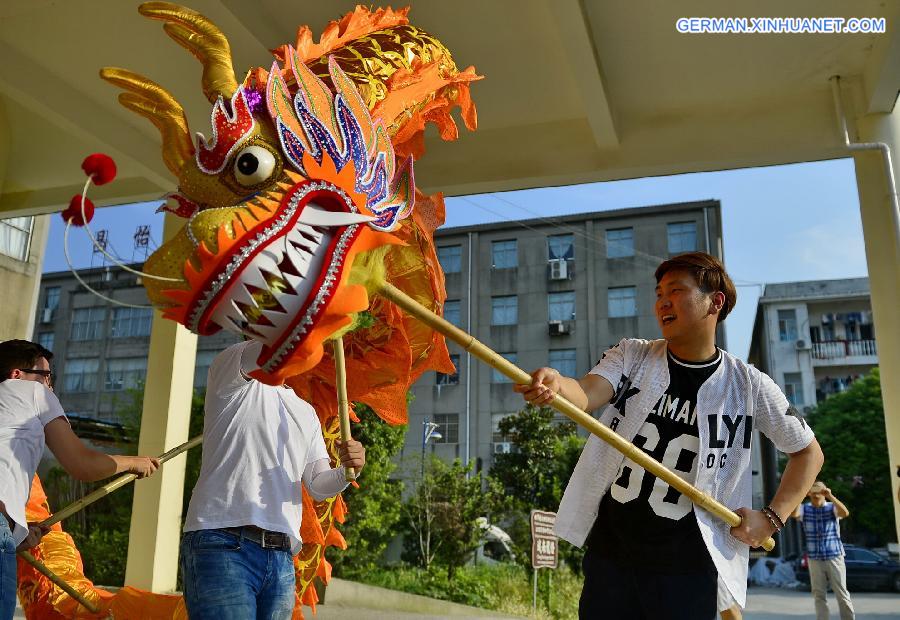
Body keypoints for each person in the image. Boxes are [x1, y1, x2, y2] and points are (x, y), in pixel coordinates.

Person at [515, 252, 823, 620]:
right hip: (613, 557)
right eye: (659, 292)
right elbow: (585, 392)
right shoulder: (632, 354)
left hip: (691, 569)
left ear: (715, 302)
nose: (662, 300)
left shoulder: (749, 385)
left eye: (676, 290)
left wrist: (772, 518)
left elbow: (809, 453)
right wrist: (557, 385)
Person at [179, 340, 366, 619]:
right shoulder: (233, 367)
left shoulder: (306, 412)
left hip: (280, 557)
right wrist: (311, 312)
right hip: (222, 542)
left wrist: (348, 470)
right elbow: (274, 347)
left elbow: (317, 484)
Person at [0, 339, 159, 620]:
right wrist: (134, 463)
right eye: (47, 376)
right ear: (17, 374)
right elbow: (83, 464)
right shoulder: (31, 392)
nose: (50, 386)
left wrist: (18, 534)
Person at [793, 481, 854, 619]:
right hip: (814, 558)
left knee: (842, 593)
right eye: (813, 493)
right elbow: (794, 514)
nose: (816, 496)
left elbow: (845, 513)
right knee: (819, 595)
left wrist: (830, 496)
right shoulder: (804, 508)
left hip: (834, 556)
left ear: (824, 493)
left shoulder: (832, 507)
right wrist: (801, 495)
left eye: (819, 493)